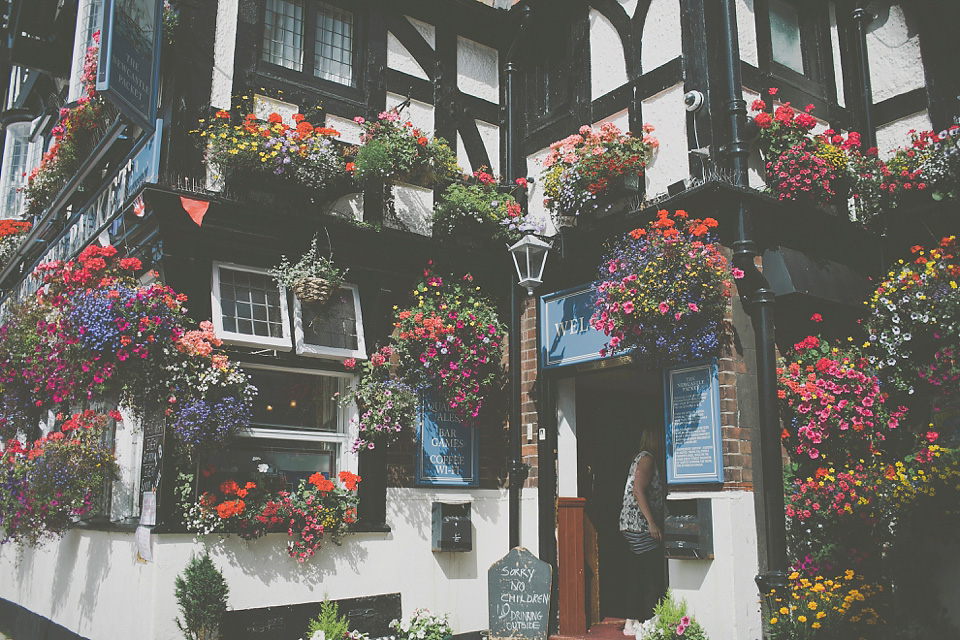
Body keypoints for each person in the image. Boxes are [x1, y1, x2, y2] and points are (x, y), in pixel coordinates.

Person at [619, 427, 666, 635]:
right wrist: (652, 523)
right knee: (650, 573)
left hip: (630, 524)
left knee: (636, 572)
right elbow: (638, 491)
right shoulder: (647, 459)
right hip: (639, 525)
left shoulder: (640, 458)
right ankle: (648, 622)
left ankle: (631, 622)